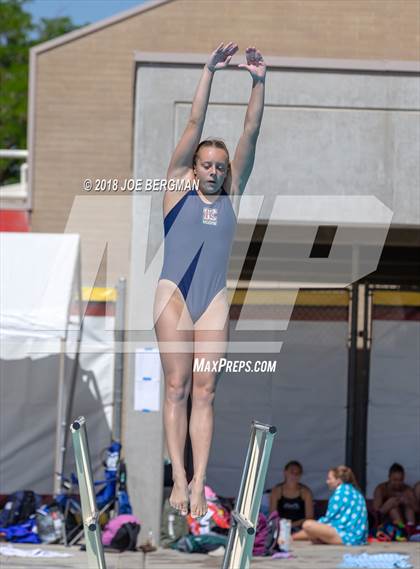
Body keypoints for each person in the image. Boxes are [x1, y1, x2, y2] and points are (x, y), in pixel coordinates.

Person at [153, 42, 266, 519]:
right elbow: (194, 124)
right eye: (208, 165)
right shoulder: (177, 184)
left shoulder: (232, 189)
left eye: (221, 166)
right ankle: (177, 477)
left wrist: (259, 81)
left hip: (213, 298)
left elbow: (250, 131)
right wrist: (209, 71)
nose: (216, 171)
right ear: (193, 167)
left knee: (206, 389)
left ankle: (201, 481)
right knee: (176, 386)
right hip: (174, 296)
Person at [293, 466, 368, 545]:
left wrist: (293, 537)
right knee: (313, 531)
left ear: (338, 481)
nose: (327, 481)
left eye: (329, 479)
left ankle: (291, 537)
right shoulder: (354, 491)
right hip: (358, 537)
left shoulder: (339, 494)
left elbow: (328, 522)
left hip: (347, 537)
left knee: (308, 525)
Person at [269, 461, 314, 532]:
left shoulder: (306, 492)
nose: (294, 475)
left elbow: (309, 517)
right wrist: (283, 525)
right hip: (280, 527)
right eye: (292, 472)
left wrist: (291, 525)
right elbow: (272, 515)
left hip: (299, 528)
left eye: (297, 473)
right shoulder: (276, 491)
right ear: (285, 473)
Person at [373, 463, 418, 530]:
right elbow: (375, 514)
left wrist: (408, 502)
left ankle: (410, 529)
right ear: (389, 477)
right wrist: (387, 505)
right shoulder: (381, 489)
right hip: (388, 523)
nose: (398, 483)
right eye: (395, 480)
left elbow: (417, 510)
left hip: (407, 521)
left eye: (400, 480)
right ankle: (402, 529)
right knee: (393, 509)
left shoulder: (407, 490)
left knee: (409, 508)